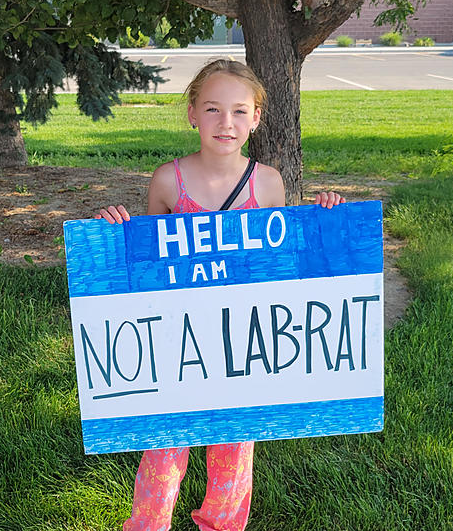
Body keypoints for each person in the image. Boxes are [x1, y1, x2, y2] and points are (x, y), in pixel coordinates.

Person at [93, 59, 345, 531]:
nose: (225, 123)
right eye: (212, 109)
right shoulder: (169, 181)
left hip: (243, 341)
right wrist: (118, 234)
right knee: (165, 444)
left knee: (233, 451)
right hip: (179, 338)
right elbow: (147, 264)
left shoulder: (268, 183)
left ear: (256, 118)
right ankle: (148, 525)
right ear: (192, 113)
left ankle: (222, 525)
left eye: (238, 111)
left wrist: (325, 221)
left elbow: (279, 262)